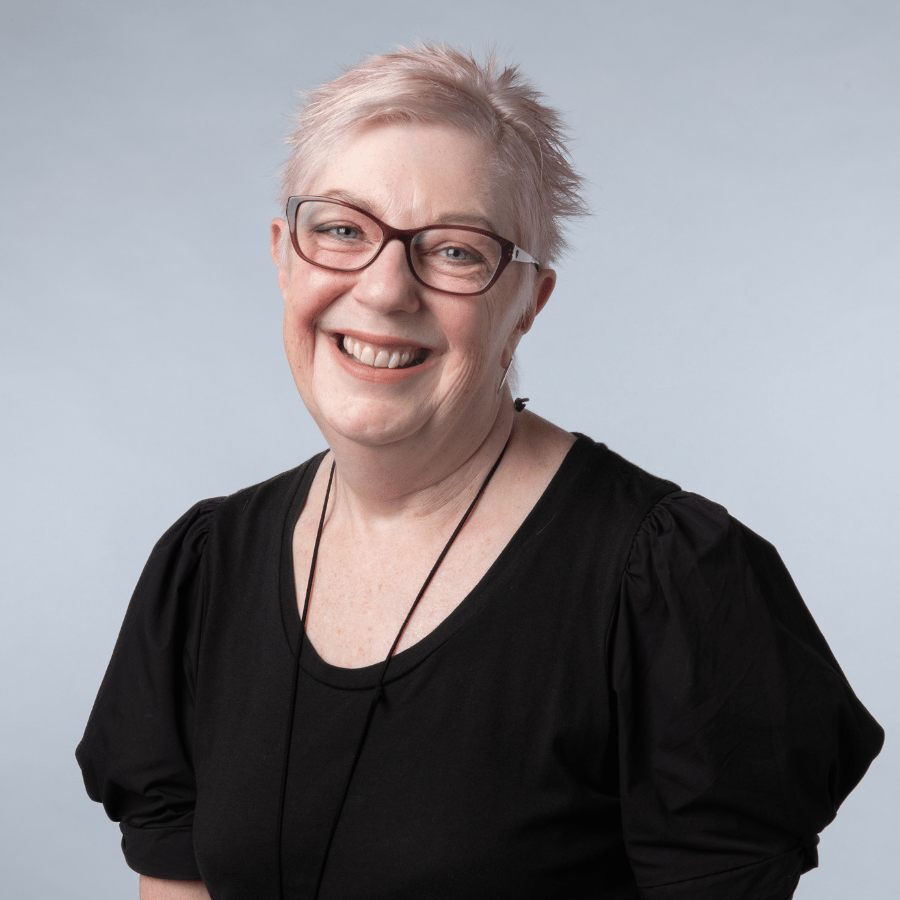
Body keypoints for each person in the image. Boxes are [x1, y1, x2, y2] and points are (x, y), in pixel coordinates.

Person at [76, 44, 883, 900]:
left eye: (455, 251)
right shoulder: (204, 570)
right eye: (342, 230)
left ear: (526, 305)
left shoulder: (676, 585)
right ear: (285, 255)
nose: (386, 290)